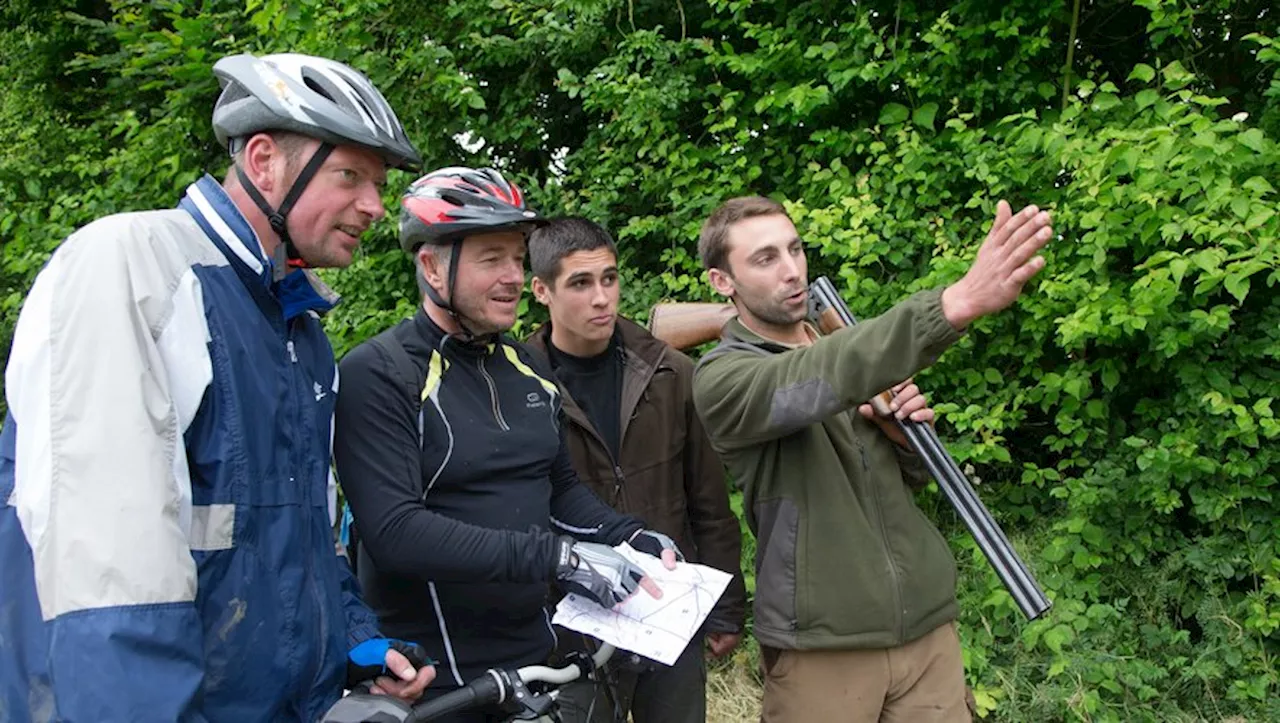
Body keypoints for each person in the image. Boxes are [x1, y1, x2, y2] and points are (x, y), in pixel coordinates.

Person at [0, 52, 436, 722]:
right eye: (351, 175)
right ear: (264, 160)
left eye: (377, 184)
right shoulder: (136, 270)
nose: (375, 207)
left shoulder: (300, 332)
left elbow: (298, 533)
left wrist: (356, 641)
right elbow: (111, 583)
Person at [331, 166, 681, 722]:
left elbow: (560, 491)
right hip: (435, 681)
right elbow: (395, 531)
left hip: (538, 669)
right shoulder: (378, 373)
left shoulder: (527, 368)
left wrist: (629, 534)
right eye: (491, 259)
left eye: (517, 258)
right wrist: (558, 557)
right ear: (431, 266)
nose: (514, 276)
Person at [690, 195, 1053, 722]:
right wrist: (953, 304)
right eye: (765, 259)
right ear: (722, 282)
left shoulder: (844, 350)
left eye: (795, 249)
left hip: (927, 631)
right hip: (823, 645)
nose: (792, 270)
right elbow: (816, 378)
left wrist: (902, 437)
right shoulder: (723, 377)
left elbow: (908, 481)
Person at [524, 217, 747, 723]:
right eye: (580, 283)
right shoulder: (519, 383)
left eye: (609, 278)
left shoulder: (672, 372)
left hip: (671, 611)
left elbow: (709, 502)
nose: (602, 297)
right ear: (542, 290)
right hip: (573, 627)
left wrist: (727, 606)